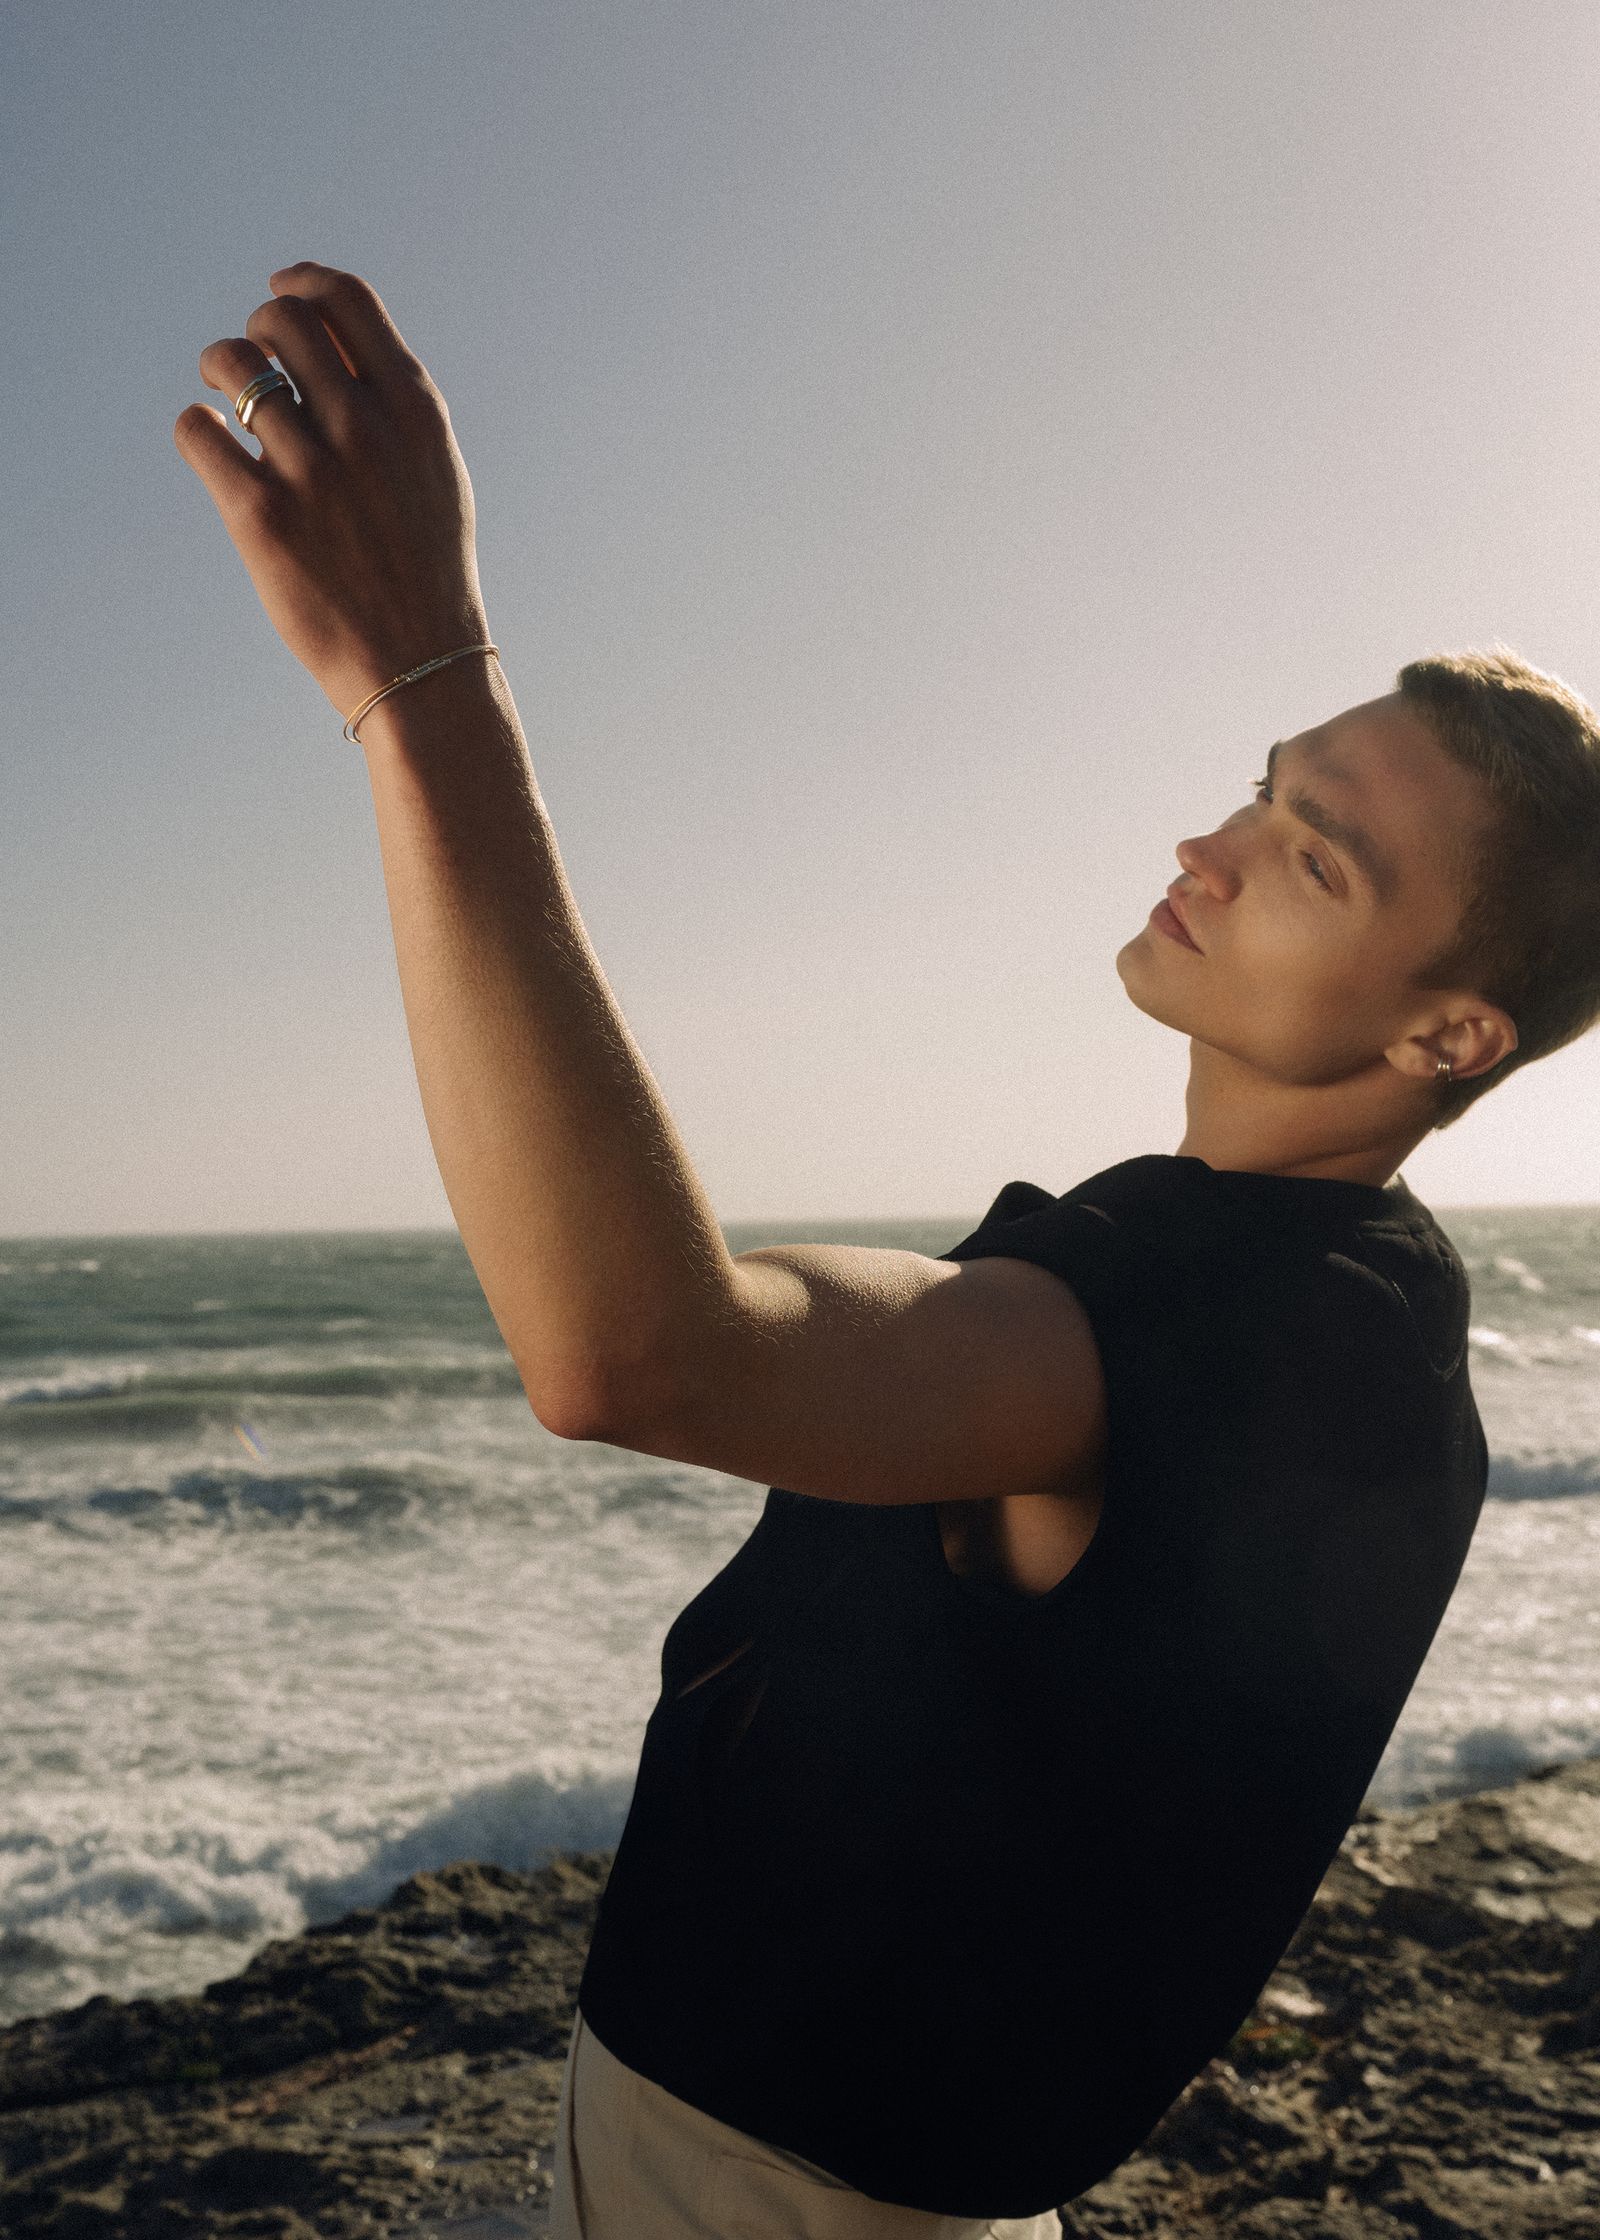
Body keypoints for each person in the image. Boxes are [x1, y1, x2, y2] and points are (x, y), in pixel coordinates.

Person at [176, 264, 1600, 2238]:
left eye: (1312, 853)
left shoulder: (1233, 1316)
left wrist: (416, 681)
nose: (1209, 845)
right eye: (1264, 790)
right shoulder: (1338, 1299)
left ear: (1449, 1034)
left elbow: (641, 1347)